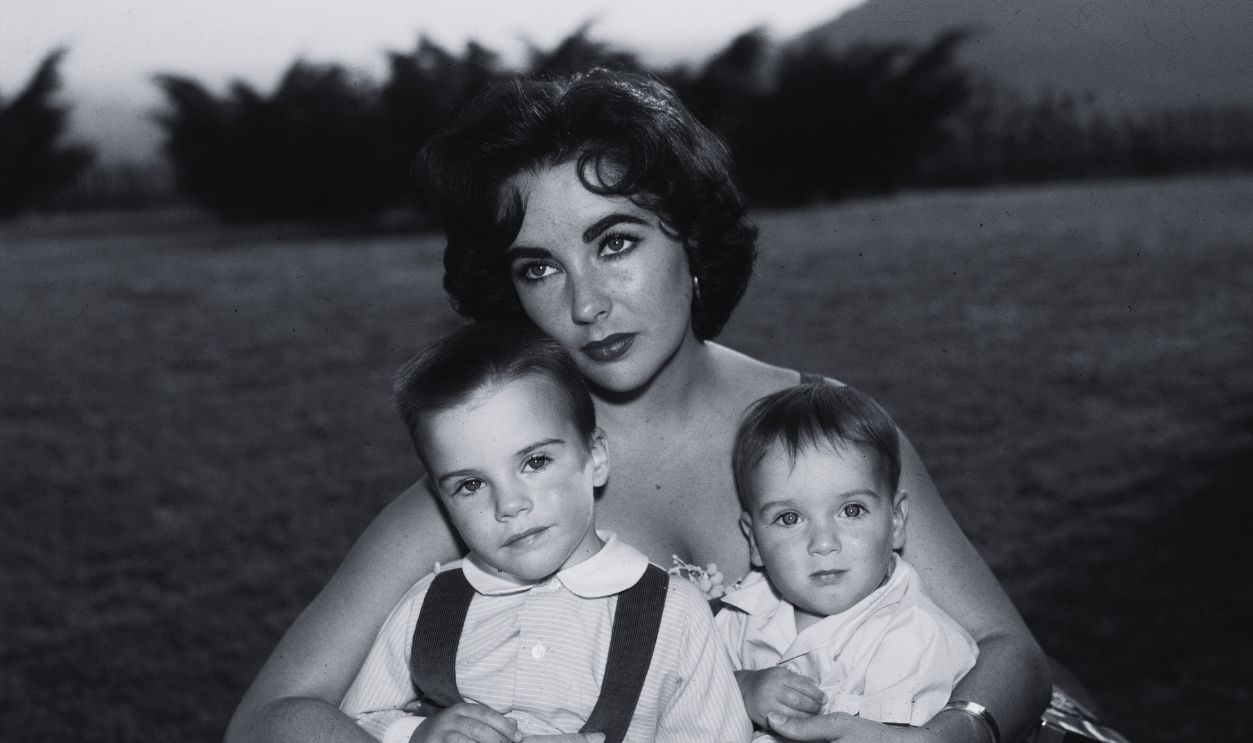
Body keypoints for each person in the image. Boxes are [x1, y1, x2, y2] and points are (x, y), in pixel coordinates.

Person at [226, 69, 1051, 743]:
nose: (586, 303)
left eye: (614, 242)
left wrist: (956, 733)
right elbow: (267, 718)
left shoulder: (822, 427)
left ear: (690, 239)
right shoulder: (484, 486)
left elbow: (1008, 649)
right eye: (538, 267)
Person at [338, 323, 749, 743]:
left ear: (595, 457)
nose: (509, 504)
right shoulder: (429, 606)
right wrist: (415, 734)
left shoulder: (672, 613)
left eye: (535, 462)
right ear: (443, 499)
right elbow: (353, 719)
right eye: (471, 484)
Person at [717, 381, 980, 741]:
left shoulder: (914, 640)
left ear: (896, 521)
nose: (824, 543)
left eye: (851, 510)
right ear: (754, 541)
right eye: (790, 518)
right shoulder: (741, 613)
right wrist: (740, 688)